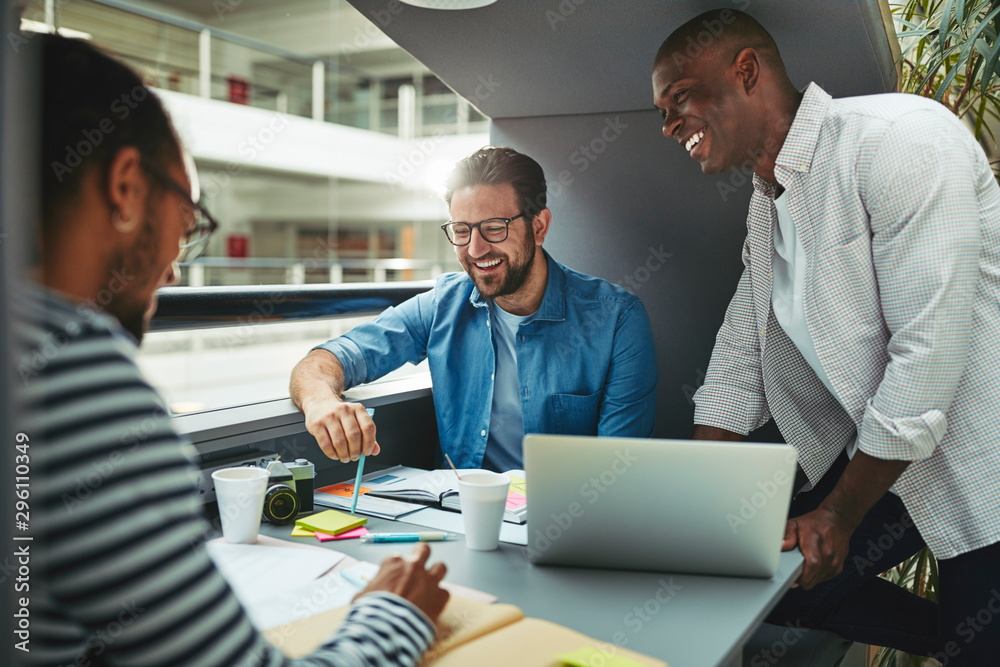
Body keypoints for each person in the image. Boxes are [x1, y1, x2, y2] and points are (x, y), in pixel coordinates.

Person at [15, 34, 449, 667]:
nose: (173, 274)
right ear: (127, 187)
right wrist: (395, 613)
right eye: (188, 224)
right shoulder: (71, 373)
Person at [651, 9, 1000, 664]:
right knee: (781, 579)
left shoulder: (900, 140)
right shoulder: (769, 198)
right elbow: (742, 352)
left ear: (745, 71)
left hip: (983, 450)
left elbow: (926, 354)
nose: (668, 125)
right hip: (893, 449)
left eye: (678, 99)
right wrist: (695, 496)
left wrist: (838, 514)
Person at [290, 146, 657, 471]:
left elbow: (618, 474)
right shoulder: (442, 305)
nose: (476, 250)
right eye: (461, 231)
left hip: (567, 526)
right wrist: (321, 401)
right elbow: (324, 361)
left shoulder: (616, 319)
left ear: (539, 227)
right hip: (459, 517)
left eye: (494, 228)